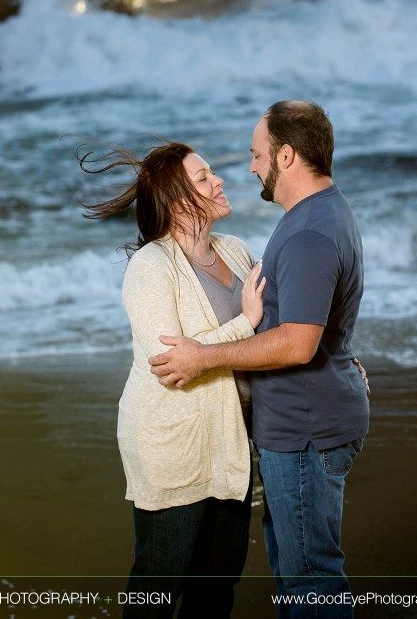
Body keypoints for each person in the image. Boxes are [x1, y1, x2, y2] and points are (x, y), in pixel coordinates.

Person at [149, 101, 370, 618]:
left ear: (286, 156)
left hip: (305, 432)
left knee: (311, 584)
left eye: (257, 154)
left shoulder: (310, 232)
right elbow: (318, 325)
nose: (250, 167)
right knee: (303, 576)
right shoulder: (321, 213)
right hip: (307, 423)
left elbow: (298, 342)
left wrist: (204, 356)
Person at [76, 139, 266, 619]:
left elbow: (274, 334)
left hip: (232, 444)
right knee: (159, 586)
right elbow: (172, 364)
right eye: (204, 177)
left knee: (217, 588)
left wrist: (339, 359)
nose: (220, 180)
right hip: (174, 446)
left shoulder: (237, 251)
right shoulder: (151, 266)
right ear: (180, 201)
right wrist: (244, 322)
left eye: (212, 173)